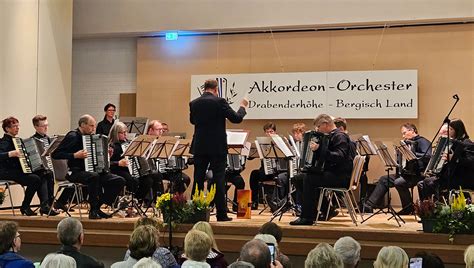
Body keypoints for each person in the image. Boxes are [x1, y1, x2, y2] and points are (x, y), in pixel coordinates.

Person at [189, 79, 248, 221]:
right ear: (216, 89)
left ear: (205, 88)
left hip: (200, 146)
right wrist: (243, 107)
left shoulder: (194, 103)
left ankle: (194, 212)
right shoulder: (220, 101)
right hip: (217, 147)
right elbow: (236, 119)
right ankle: (221, 214)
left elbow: (192, 121)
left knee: (197, 178)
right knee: (219, 179)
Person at [51, 114, 125, 219]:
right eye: (91, 126)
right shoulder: (73, 136)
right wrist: (74, 155)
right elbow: (55, 154)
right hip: (75, 172)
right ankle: (93, 211)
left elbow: (97, 156)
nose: (94, 129)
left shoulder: (91, 137)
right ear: (82, 125)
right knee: (94, 177)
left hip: (91, 171)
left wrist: (107, 155)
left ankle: (97, 207)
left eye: (94, 126)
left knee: (119, 180)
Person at [290, 114, 356, 225]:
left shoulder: (340, 136)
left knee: (309, 179)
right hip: (333, 173)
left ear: (325, 124)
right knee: (298, 178)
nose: (317, 129)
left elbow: (339, 157)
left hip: (341, 176)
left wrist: (319, 149)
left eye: (318, 126)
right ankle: (327, 210)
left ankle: (307, 217)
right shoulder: (331, 136)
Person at [364, 123, 432, 215]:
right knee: (384, 179)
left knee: (399, 182)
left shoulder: (422, 141)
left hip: (417, 174)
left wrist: (411, 153)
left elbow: (428, 156)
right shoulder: (406, 143)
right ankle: (368, 206)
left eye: (404, 133)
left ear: (412, 130)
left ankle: (408, 208)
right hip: (406, 174)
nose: (403, 136)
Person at [0, 117, 57, 216]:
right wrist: (10, 154)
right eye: (14, 126)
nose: (17, 128)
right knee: (34, 179)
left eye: (18, 126)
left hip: (18, 170)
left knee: (45, 173)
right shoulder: (3, 142)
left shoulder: (18, 140)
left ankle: (45, 205)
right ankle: (25, 206)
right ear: (7, 129)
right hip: (6, 171)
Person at [417, 119, 474, 201]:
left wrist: (454, 158)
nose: (449, 131)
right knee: (421, 183)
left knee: (428, 183)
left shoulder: (467, 143)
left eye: (451, 129)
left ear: (458, 130)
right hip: (451, 176)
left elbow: (471, 162)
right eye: (448, 129)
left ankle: (435, 208)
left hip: (462, 178)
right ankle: (427, 209)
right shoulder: (450, 143)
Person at [109, 122, 162, 206]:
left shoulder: (128, 144)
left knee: (148, 180)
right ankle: (127, 202)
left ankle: (136, 200)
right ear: (116, 133)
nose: (125, 134)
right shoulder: (111, 146)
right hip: (116, 170)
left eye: (126, 132)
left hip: (129, 169)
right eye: (122, 133)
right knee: (133, 180)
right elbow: (107, 163)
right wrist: (118, 163)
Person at [249, 122, 289, 211]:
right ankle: (254, 201)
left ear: (275, 132)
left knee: (280, 177)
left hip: (278, 171)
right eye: (267, 132)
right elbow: (250, 156)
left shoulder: (280, 142)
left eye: (271, 131)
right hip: (265, 171)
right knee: (254, 174)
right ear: (265, 133)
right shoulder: (262, 143)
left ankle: (277, 202)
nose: (269, 134)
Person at [147, 121, 189, 195]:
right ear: (150, 130)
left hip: (165, 170)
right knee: (157, 175)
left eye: (161, 130)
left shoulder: (164, 141)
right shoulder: (146, 142)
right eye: (158, 130)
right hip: (152, 171)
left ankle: (172, 198)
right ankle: (160, 199)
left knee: (185, 179)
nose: (161, 132)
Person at [31, 115, 58, 209]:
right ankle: (45, 204)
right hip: (37, 169)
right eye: (43, 126)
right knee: (44, 174)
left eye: (47, 125)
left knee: (49, 174)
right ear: (36, 127)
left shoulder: (49, 139)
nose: (46, 127)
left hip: (49, 169)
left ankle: (49, 204)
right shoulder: (32, 140)